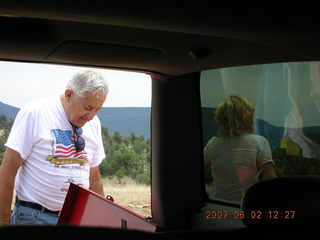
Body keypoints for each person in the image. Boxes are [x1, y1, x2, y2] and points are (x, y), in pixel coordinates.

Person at [0, 70, 109, 226]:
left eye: (97, 110)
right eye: (88, 107)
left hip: (77, 218)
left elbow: (94, 178)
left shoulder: (94, 123)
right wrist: (3, 223)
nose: (91, 116)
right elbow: (7, 170)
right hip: (34, 217)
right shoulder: (35, 113)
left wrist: (104, 223)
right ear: (69, 94)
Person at [204, 95, 277, 203]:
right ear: (248, 117)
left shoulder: (212, 144)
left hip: (218, 204)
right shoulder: (260, 142)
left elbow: (197, 174)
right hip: (247, 206)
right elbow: (270, 177)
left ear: (220, 118)